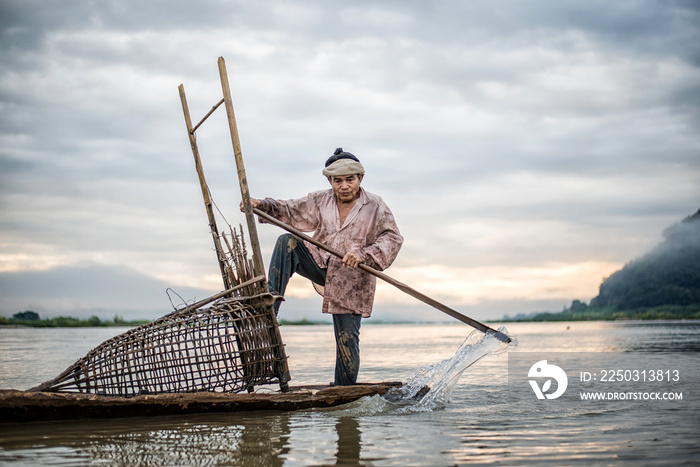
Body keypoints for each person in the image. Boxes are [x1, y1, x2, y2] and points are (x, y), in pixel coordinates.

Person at [242, 148, 403, 386]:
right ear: (330, 181)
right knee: (288, 242)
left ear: (360, 179)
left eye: (350, 179)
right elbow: (289, 209)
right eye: (338, 181)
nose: (345, 186)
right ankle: (270, 307)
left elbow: (392, 238)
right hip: (319, 263)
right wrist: (261, 205)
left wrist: (363, 254)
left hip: (352, 280)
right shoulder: (321, 199)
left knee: (347, 339)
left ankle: (343, 392)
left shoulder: (375, 205)